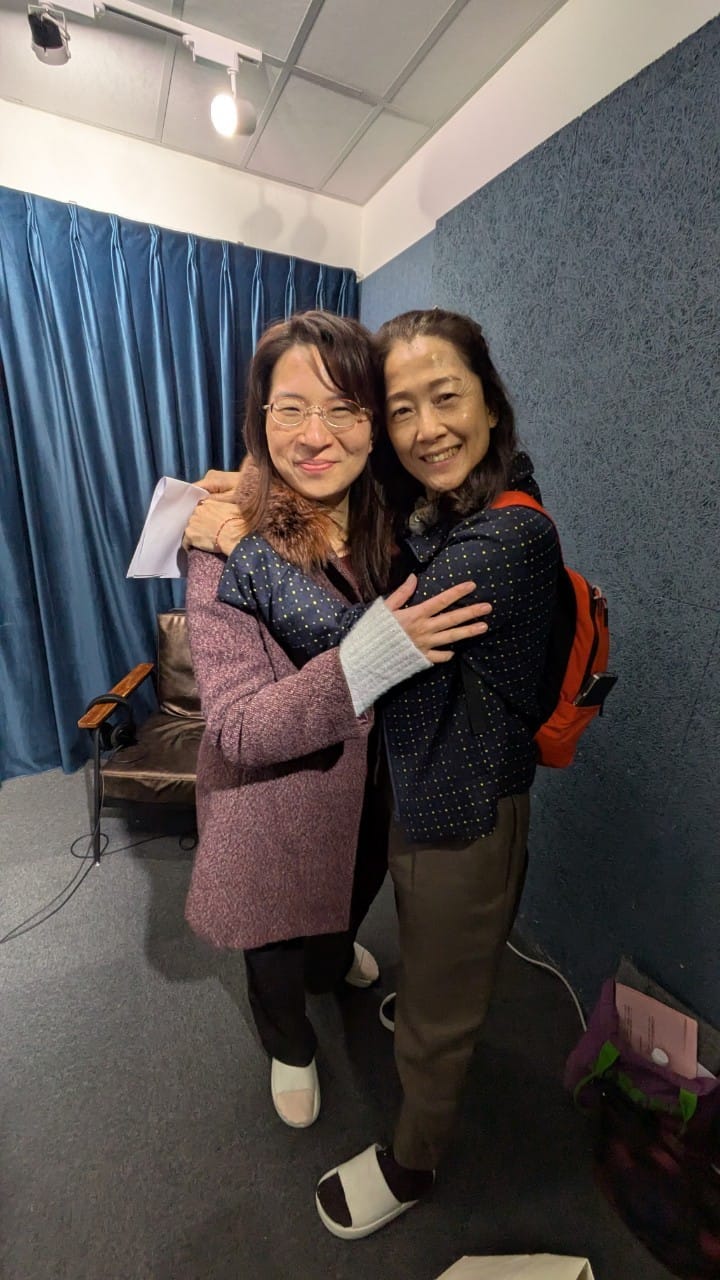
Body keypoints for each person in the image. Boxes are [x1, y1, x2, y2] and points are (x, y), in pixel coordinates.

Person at [187, 308, 562, 1238]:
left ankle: (388, 1092)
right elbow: (237, 724)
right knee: (277, 945)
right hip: (281, 804)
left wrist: (251, 545)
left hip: (398, 795)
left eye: (346, 409)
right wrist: (239, 522)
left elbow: (381, 639)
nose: (316, 435)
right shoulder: (219, 538)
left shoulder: (413, 522)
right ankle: (290, 1045)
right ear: (257, 417)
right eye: (289, 408)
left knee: (362, 928)